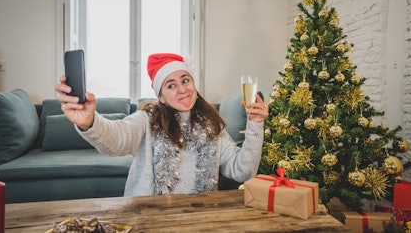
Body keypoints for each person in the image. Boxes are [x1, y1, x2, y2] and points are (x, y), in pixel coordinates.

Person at [55, 53, 268, 196]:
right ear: (162, 97)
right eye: (171, 85)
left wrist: (256, 126)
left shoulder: (212, 127)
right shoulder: (147, 120)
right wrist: (90, 122)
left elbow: (243, 172)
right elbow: (116, 139)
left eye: (185, 80)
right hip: (149, 215)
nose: (182, 89)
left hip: (200, 216)